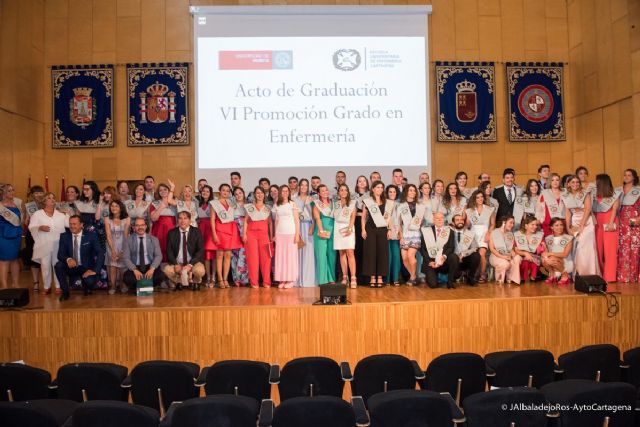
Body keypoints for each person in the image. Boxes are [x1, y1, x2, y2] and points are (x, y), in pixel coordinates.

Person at [55, 215, 105, 301]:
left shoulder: (91, 236)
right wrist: (68, 259)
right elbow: (60, 254)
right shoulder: (64, 236)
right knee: (58, 266)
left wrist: (94, 270)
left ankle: (87, 286)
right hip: (71, 266)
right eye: (70, 224)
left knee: (90, 281)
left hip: (86, 267)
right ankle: (65, 292)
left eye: (74, 224)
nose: (72, 226)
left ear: (81, 225)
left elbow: (100, 252)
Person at [29, 192, 70, 294]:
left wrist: (67, 214)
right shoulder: (37, 214)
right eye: (49, 198)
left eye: (53, 198)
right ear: (44, 201)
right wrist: (39, 227)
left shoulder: (60, 214)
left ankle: (58, 286)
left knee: (57, 265)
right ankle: (46, 286)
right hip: (44, 244)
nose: (52, 200)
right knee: (45, 265)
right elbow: (31, 227)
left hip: (57, 244)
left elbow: (69, 225)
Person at [563, 175, 599, 276]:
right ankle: (578, 272)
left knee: (585, 246)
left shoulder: (585, 193)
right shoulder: (566, 196)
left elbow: (587, 209)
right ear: (568, 184)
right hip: (574, 221)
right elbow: (568, 212)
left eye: (577, 182)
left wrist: (582, 224)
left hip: (586, 222)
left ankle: (589, 272)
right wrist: (567, 227)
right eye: (573, 182)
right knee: (577, 246)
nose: (575, 184)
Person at [163, 211, 206, 291]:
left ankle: (194, 280)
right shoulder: (171, 233)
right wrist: (175, 264)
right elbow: (169, 252)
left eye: (185, 218)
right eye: (180, 218)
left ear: (190, 220)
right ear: (177, 220)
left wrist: (190, 265)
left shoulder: (196, 231)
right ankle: (182, 281)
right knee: (167, 270)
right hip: (178, 263)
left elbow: (200, 251)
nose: (182, 221)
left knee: (200, 271)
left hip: (193, 262)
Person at [210, 183, 242, 288]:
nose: (225, 192)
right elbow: (212, 220)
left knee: (228, 255)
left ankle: (225, 279)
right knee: (219, 256)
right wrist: (214, 234)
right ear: (220, 191)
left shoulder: (231, 203)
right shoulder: (215, 203)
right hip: (219, 230)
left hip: (230, 230)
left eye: (228, 191)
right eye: (223, 190)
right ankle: (219, 279)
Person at [362, 180, 392, 287]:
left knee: (382, 253)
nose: (379, 189)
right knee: (371, 252)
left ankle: (380, 277)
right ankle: (372, 277)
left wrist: (389, 230)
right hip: (370, 229)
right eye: (377, 187)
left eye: (381, 187)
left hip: (383, 229)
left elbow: (389, 218)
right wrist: (363, 230)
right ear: (373, 189)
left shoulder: (387, 202)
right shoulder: (368, 201)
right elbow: (363, 217)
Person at [122, 217, 165, 290]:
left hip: (149, 266)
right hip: (136, 266)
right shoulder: (128, 240)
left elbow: (158, 256)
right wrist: (134, 270)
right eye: (137, 225)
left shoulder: (154, 239)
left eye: (142, 225)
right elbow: (126, 257)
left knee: (160, 275)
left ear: (145, 226)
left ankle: (143, 287)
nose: (140, 227)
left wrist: (152, 269)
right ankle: (145, 287)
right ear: (134, 227)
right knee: (127, 277)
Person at [243, 187, 273, 288]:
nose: (259, 195)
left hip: (264, 235)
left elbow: (270, 224)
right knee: (253, 260)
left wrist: (271, 236)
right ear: (254, 195)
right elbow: (245, 221)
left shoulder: (268, 208)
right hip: (251, 235)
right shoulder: (250, 207)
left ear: (264, 194)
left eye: (261, 193)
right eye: (257, 193)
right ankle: (254, 282)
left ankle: (266, 282)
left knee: (266, 259)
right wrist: (244, 234)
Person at [592, 174, 620, 282]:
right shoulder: (595, 195)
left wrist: (610, 222)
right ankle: (600, 274)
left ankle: (610, 277)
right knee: (597, 250)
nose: (595, 183)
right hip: (597, 222)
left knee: (610, 250)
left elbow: (614, 209)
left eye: (596, 181)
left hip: (609, 221)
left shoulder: (613, 195)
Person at [420, 212, 457, 289]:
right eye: (437, 218)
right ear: (433, 220)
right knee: (433, 285)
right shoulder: (426, 231)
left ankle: (450, 281)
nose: (440, 220)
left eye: (442, 218)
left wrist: (444, 257)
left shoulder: (450, 231)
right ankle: (434, 276)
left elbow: (451, 247)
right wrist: (429, 262)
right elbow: (423, 249)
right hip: (431, 262)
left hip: (443, 262)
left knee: (454, 257)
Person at [465, 190, 496, 283]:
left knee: (482, 254)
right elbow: (467, 225)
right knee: (474, 255)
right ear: (474, 198)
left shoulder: (490, 209)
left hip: (484, 234)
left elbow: (493, 224)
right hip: (473, 235)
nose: (480, 199)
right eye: (478, 197)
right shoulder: (470, 210)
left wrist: (489, 233)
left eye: (482, 197)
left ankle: (482, 275)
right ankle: (474, 274)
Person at [272, 185, 300, 288]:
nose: (285, 193)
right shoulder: (277, 205)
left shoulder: (292, 204)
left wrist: (297, 235)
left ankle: (290, 279)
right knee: (281, 257)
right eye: (283, 191)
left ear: (289, 192)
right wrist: (275, 235)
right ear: (280, 192)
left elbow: (297, 221)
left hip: (291, 234)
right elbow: (276, 221)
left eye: (286, 191)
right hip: (280, 234)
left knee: (290, 257)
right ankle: (282, 279)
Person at [617, 169, 640, 283]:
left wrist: (638, 219)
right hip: (621, 222)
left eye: (629, 175)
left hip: (633, 221)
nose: (626, 177)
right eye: (625, 175)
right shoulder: (619, 190)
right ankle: (623, 276)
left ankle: (633, 276)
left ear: (634, 177)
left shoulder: (638, 190)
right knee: (623, 248)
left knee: (634, 249)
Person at [398, 184, 423, 286]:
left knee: (410, 255)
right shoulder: (400, 205)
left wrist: (419, 223)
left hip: (415, 234)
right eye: (410, 190)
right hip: (405, 234)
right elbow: (399, 223)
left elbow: (421, 221)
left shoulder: (420, 206)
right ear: (406, 192)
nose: (412, 192)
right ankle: (414, 276)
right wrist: (401, 237)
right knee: (404, 258)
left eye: (414, 190)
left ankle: (412, 277)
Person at [332, 184, 357, 287]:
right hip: (338, 228)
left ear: (348, 192)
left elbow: (353, 217)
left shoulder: (352, 203)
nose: (343, 192)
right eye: (341, 190)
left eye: (345, 190)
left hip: (348, 228)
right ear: (338, 192)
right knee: (341, 253)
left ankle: (353, 278)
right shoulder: (335, 204)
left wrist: (350, 229)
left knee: (350, 252)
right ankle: (345, 277)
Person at [104, 200, 130, 294]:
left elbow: (126, 235)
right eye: (112, 206)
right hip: (111, 244)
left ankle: (122, 284)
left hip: (123, 244)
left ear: (121, 208)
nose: (114, 208)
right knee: (113, 266)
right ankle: (113, 286)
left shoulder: (127, 219)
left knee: (122, 266)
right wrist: (113, 251)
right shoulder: (107, 219)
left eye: (116, 206)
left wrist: (123, 250)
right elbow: (108, 235)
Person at [0, 184, 23, 289]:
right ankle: (4, 286)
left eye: (13, 190)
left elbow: (20, 219)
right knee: (4, 260)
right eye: (9, 191)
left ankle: (16, 283)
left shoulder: (17, 203)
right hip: (3, 235)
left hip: (16, 234)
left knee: (15, 259)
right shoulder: (0, 205)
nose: (12, 192)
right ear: (3, 192)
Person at [312, 184, 336, 285]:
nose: (325, 192)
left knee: (332, 255)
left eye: (326, 190)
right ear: (318, 193)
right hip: (321, 230)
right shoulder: (316, 204)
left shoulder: (334, 203)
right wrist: (321, 231)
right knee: (321, 256)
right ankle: (322, 280)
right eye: (322, 191)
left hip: (333, 230)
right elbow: (317, 218)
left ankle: (331, 278)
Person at [23, 185, 45, 290]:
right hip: (33, 235)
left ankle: (47, 282)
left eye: (40, 192)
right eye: (36, 193)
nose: (39, 195)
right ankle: (36, 282)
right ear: (32, 195)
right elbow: (26, 221)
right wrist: (27, 219)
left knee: (45, 259)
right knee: (34, 260)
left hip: (45, 234)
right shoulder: (29, 206)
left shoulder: (47, 203)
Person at [294, 179, 315, 287]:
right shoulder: (294, 200)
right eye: (301, 185)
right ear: (299, 186)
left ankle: (308, 279)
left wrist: (313, 225)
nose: (303, 187)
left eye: (305, 185)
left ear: (308, 187)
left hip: (308, 227)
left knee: (308, 253)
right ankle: (297, 279)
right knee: (297, 253)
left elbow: (315, 215)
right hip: (298, 227)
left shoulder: (311, 199)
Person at [489, 215, 521, 285]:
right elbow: (492, 249)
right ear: (504, 222)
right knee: (505, 263)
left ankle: (512, 278)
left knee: (517, 258)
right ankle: (499, 279)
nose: (512, 225)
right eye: (510, 223)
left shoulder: (510, 234)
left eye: (513, 223)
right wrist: (503, 257)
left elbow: (511, 248)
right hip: (496, 256)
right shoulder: (494, 232)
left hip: (507, 255)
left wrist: (512, 252)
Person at [149, 181, 177, 262]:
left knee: (171, 250)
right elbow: (153, 218)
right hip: (158, 231)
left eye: (165, 189)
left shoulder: (175, 202)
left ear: (169, 191)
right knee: (159, 250)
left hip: (172, 230)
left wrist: (172, 188)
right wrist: (161, 207)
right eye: (160, 190)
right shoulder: (154, 203)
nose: (163, 191)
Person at [542, 218, 574, 285]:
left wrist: (550, 253)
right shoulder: (548, 238)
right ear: (552, 227)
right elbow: (546, 252)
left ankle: (565, 275)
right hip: (552, 261)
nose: (559, 227)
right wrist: (544, 252)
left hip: (565, 262)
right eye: (556, 225)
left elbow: (565, 254)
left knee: (550, 259)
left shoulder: (568, 238)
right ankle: (552, 274)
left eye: (561, 225)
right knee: (544, 259)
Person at [451, 213, 480, 286]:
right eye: (457, 220)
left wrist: (464, 253)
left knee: (476, 255)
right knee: (455, 273)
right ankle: (457, 275)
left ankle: (470, 277)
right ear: (453, 223)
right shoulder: (449, 233)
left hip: (465, 259)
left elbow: (475, 248)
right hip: (454, 260)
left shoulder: (469, 233)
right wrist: (457, 256)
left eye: (461, 220)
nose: (460, 221)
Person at [513, 216, 545, 282]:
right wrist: (525, 253)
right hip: (522, 256)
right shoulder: (517, 235)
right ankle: (522, 278)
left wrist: (540, 249)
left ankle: (533, 278)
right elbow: (516, 250)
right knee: (524, 262)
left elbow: (542, 249)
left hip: (535, 256)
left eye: (536, 225)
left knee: (534, 262)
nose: (535, 226)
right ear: (526, 225)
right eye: (532, 224)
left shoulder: (539, 235)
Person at [197, 184, 215, 286]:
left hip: (211, 229)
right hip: (201, 230)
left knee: (213, 254)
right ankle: (207, 277)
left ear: (211, 193)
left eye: (207, 191)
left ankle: (213, 277)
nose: (205, 193)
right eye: (203, 191)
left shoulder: (214, 203)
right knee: (205, 255)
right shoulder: (197, 203)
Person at [353, 175, 370, 286]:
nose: (362, 183)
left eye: (364, 181)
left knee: (366, 250)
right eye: (360, 181)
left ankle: (367, 277)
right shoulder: (353, 196)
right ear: (357, 184)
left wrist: (361, 213)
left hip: (367, 224)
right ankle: (357, 277)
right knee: (357, 249)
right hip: (355, 223)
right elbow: (351, 211)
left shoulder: (370, 195)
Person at [231, 187, 249, 286]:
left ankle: (244, 279)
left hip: (245, 232)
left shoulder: (249, 205)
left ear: (243, 193)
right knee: (234, 256)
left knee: (244, 256)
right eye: (236, 194)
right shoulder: (232, 206)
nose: (238, 195)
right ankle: (236, 279)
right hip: (235, 232)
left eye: (240, 193)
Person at [385, 185, 401, 286]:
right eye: (390, 192)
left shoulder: (400, 204)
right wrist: (388, 229)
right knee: (388, 256)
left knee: (396, 255)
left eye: (394, 192)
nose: (392, 194)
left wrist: (400, 232)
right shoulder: (385, 203)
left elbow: (401, 220)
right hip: (386, 231)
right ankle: (386, 279)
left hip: (397, 231)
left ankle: (395, 278)